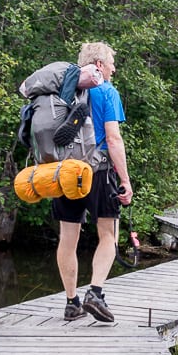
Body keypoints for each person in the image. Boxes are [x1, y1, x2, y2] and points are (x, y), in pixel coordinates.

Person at [53, 42, 133, 322]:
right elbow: (113, 139)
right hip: (98, 171)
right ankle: (95, 293)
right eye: (111, 61)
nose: (114, 67)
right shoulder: (107, 92)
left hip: (65, 173)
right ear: (99, 64)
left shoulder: (64, 92)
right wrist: (125, 180)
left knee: (68, 237)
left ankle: (71, 302)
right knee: (108, 234)